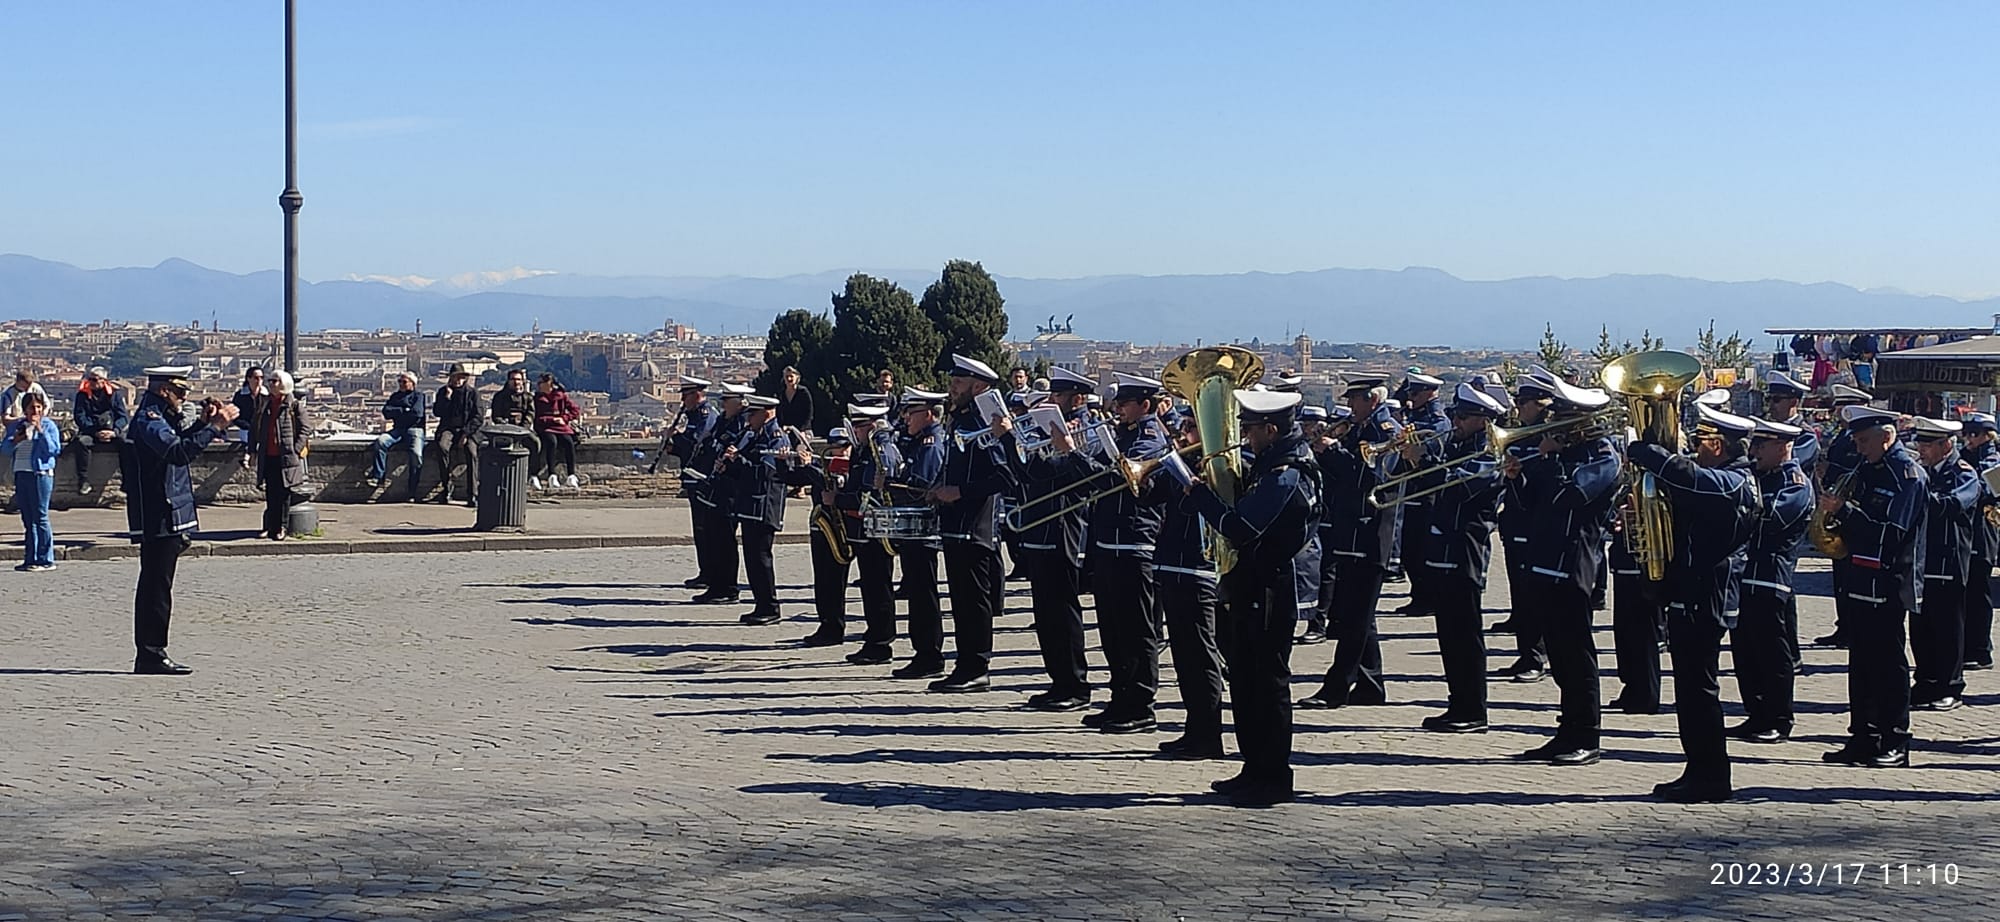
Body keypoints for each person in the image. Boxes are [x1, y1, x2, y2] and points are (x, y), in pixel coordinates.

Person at [1187, 388, 1321, 806]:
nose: (1244, 435)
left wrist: (1201, 496)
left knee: (1267, 683)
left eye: (1250, 429)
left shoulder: (1288, 472)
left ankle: (1274, 775)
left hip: (1272, 586)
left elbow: (1242, 526)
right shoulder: (1270, 462)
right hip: (1253, 583)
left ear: (1271, 428)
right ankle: (1253, 767)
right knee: (1244, 680)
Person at [1627, 404, 1763, 802]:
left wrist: (1648, 451)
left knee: (1699, 691)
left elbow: (1690, 477)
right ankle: (1699, 769)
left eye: (1701, 442)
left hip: (1708, 598)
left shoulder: (1736, 481)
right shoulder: (1727, 477)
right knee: (1690, 691)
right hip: (1691, 593)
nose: (1694, 449)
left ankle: (1710, 777)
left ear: (1718, 444)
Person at [1046, 372, 1174, 728]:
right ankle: (1120, 696)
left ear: (1144, 406)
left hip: (1135, 541)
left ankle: (1140, 703)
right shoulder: (1121, 433)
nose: (1116, 409)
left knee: (1137, 629)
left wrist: (1073, 454)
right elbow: (1093, 479)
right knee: (1112, 628)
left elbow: (1119, 482)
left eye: (1124, 404)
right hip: (1105, 541)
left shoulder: (1151, 438)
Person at [1506, 376, 1620, 767]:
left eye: (1562, 420)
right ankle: (1566, 731)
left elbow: (1568, 498)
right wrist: (1518, 475)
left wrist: (1550, 459)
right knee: (1558, 656)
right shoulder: (1559, 455)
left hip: (1574, 565)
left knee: (1577, 656)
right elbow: (1529, 505)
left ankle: (1587, 735)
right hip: (1542, 560)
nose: (1553, 425)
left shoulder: (1602, 457)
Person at [1821, 404, 1926, 769]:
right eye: (1856, 441)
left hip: (1888, 579)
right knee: (1861, 662)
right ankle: (1863, 736)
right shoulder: (1866, 468)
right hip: (1857, 574)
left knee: (1888, 663)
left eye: (1865, 441)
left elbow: (1893, 533)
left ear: (1887, 436)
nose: (1860, 448)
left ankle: (1896, 739)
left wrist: (1845, 512)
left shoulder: (1907, 475)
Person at [123, 366, 239, 675]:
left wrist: (202, 423)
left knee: (158, 584)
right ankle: (151, 653)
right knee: (156, 587)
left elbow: (177, 443)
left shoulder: (160, 419)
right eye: (180, 391)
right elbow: (177, 453)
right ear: (164, 390)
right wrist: (214, 426)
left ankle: (152, 651)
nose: (184, 397)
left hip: (166, 513)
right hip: (157, 515)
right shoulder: (149, 421)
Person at [1406, 384, 1508, 733]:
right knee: (1449, 636)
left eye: (1463, 417)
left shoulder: (1489, 449)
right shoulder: (1458, 444)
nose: (1456, 421)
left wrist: (1425, 461)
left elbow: (1460, 489)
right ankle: (1457, 703)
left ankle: (1473, 709)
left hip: (1466, 549)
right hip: (1443, 548)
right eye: (1455, 415)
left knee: (1465, 636)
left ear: (1483, 420)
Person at [994, 367, 1097, 711]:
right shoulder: (1054, 428)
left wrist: (1015, 439)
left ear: (1077, 399)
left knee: (1063, 610)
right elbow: (1023, 474)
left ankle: (1075, 685)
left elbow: (1048, 470)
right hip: (1039, 528)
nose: (1051, 401)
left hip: (1063, 526)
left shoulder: (1082, 429)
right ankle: (1058, 681)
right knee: (1045, 612)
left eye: (1058, 397)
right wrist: (1010, 441)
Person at [1299, 375, 1401, 709]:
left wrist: (1334, 452)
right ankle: (1371, 685)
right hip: (1350, 531)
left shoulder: (1386, 432)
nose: (1350, 406)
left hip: (1370, 534)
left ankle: (1336, 687)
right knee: (1359, 614)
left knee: (1354, 618)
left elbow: (1371, 478)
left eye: (1355, 399)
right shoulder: (1358, 428)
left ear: (1372, 399)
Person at [925, 355, 1019, 694]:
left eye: (959, 383)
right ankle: (963, 664)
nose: (952, 388)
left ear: (978, 386)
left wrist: (959, 492)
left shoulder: (986, 422)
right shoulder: (961, 419)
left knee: (975, 601)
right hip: (954, 524)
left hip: (975, 525)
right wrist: (938, 489)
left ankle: (978, 666)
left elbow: (1003, 476)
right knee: (960, 601)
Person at [1730, 417, 1814, 744]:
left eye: (1761, 445)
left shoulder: (1794, 482)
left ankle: (1779, 718)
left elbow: (1772, 518)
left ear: (1782, 446)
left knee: (1771, 654)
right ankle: (1756, 714)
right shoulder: (1757, 476)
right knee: (1745, 652)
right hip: (1743, 576)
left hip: (1770, 577)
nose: (1754, 451)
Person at [1492, 369, 1559, 679]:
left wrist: (1541, 463)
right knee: (1521, 593)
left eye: (1524, 401)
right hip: (1517, 524)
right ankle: (1527, 653)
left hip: (1540, 527)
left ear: (1541, 404)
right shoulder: (1520, 439)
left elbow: (1551, 489)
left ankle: (1539, 657)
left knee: (1538, 596)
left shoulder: (1552, 438)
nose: (1518, 407)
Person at [1909, 417, 1978, 712]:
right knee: (1920, 627)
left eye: (1927, 444)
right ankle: (1925, 681)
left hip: (1948, 560)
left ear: (1946, 445)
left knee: (1947, 628)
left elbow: (1951, 505)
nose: (1921, 450)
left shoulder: (1963, 473)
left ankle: (1950, 685)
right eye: (1920, 444)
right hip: (1921, 561)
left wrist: (1916, 493)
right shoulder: (1923, 473)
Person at [886, 388, 948, 678]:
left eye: (912, 413)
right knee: (918, 594)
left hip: (923, 528)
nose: (906, 418)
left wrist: (890, 484)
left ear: (927, 414)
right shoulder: (917, 441)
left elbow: (920, 486)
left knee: (924, 595)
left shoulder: (930, 443)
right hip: (913, 529)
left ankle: (929, 654)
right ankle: (923, 651)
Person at [1811, 384, 1879, 648]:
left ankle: (1851, 627)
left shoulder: (1859, 438)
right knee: (1841, 577)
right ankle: (1843, 625)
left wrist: (1832, 468)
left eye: (1843, 407)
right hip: (1838, 511)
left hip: (1852, 510)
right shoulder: (1843, 437)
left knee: (1851, 575)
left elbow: (1858, 471)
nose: (1839, 412)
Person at [837, 405, 901, 664]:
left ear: (872, 427)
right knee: (871, 587)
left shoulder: (881, 452)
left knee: (879, 587)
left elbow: (871, 495)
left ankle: (881, 642)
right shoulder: (866, 451)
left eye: (860, 427)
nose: (857, 432)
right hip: (866, 530)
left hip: (877, 529)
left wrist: (840, 499)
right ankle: (874, 636)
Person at [721, 394, 790, 626]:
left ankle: (769, 606)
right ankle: (760, 603)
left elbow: (766, 474)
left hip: (764, 506)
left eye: (753, 413)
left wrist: (738, 461)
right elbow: (744, 471)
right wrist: (728, 466)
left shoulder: (776, 439)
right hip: (749, 505)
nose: (749, 418)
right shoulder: (753, 436)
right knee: (752, 558)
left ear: (766, 413)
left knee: (761, 559)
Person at [1392, 372, 1448, 616]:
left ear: (1428, 394)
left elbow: (1437, 450)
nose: (1410, 399)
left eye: (1414, 394)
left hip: (1427, 489)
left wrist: (1417, 452)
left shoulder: (1438, 420)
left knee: (1422, 547)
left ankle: (1428, 597)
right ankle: (1419, 595)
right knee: (1410, 548)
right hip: (1411, 488)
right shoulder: (1415, 416)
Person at [690, 384, 750, 604]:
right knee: (713, 538)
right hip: (715, 485)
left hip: (730, 489)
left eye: (727, 400)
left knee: (725, 540)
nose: (723, 404)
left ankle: (728, 588)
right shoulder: (724, 420)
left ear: (740, 402)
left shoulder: (742, 423)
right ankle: (716, 585)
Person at [657, 377, 716, 589]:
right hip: (692, 477)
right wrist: (671, 447)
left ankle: (712, 573)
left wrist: (676, 436)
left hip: (703, 478)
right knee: (699, 529)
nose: (683, 399)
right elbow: (686, 449)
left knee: (707, 529)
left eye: (686, 395)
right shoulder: (692, 415)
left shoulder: (705, 415)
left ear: (697, 394)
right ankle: (705, 571)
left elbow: (697, 442)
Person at [1960, 412, 1999, 672]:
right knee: (1965, 591)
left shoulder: (1994, 459)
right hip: (1966, 528)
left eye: (1975, 434)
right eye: (1967, 434)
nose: (1969, 439)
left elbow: (1988, 489)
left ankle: (1981, 649)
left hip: (1984, 527)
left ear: (1988, 435)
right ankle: (1967, 645)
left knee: (1979, 589)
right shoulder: (1968, 457)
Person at [5, 391, 61, 570]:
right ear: (25, 409)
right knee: (27, 518)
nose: (35, 410)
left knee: (40, 516)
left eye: (38, 407)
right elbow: (5, 449)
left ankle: (46, 559)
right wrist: (16, 440)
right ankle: (30, 558)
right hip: (22, 473)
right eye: (31, 407)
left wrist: (40, 431)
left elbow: (53, 449)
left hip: (40, 474)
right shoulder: (19, 426)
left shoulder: (49, 425)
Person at [256, 370, 311, 541]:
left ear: (284, 384)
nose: (271, 384)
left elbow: (306, 428)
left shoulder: (294, 406)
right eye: (270, 381)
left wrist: (295, 448)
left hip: (286, 456)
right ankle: (270, 526)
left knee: (284, 493)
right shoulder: (265, 405)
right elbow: (255, 427)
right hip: (268, 454)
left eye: (275, 381)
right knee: (271, 493)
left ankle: (282, 527)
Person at [368, 371, 428, 497]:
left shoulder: (419, 396)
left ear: (412, 383)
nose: (401, 384)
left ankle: (413, 487)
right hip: (398, 429)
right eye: (399, 381)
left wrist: (398, 412)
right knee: (381, 442)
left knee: (416, 454)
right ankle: (378, 476)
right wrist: (404, 410)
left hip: (415, 429)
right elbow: (386, 412)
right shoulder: (395, 396)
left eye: (404, 382)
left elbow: (417, 414)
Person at [432, 364, 484, 506]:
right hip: (448, 428)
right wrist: (446, 399)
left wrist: (466, 434)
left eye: (460, 377)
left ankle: (472, 493)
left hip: (468, 430)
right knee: (442, 447)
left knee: (471, 452)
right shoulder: (443, 392)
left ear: (464, 378)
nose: (457, 380)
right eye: (455, 377)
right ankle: (446, 486)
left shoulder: (473, 393)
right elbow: (437, 412)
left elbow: (478, 417)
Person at [70, 366, 129, 492]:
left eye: (94, 380)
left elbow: (123, 417)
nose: (91, 382)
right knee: (81, 443)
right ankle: (83, 481)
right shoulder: (82, 395)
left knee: (127, 444)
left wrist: (115, 431)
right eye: (89, 379)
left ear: (103, 381)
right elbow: (79, 417)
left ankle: (127, 479)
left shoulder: (114, 395)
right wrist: (94, 431)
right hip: (91, 431)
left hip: (111, 431)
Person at [533, 373, 583, 491]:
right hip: (545, 426)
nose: (539, 385)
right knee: (551, 442)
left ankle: (571, 475)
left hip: (561, 426)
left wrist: (564, 418)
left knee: (568, 443)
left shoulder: (561, 396)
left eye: (541, 383)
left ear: (548, 384)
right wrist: (552, 419)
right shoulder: (536, 398)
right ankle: (552, 475)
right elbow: (536, 416)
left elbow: (575, 410)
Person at [490, 368, 541, 483]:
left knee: (535, 443)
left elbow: (530, 414)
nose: (516, 382)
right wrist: (505, 425)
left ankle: (533, 474)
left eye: (518, 379)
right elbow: (496, 415)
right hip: (504, 430)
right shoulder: (499, 397)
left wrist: (523, 428)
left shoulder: (528, 397)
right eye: (513, 379)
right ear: (508, 381)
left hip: (523, 430)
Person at [231, 366, 265, 478]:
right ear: (249, 379)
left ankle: (248, 456)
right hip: (245, 428)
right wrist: (246, 425)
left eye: (261, 377)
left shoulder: (266, 395)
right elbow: (234, 415)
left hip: (262, 429)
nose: (259, 380)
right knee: (249, 435)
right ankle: (250, 456)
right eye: (256, 377)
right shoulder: (240, 396)